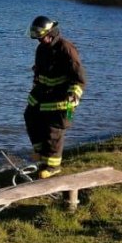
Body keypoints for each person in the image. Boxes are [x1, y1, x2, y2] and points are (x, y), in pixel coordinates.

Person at [26, 16, 86, 179]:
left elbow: (79, 77)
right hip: (42, 92)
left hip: (61, 96)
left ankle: (53, 166)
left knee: (53, 129)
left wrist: (73, 95)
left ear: (50, 33)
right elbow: (39, 71)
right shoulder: (42, 48)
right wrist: (36, 83)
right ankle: (40, 154)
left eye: (40, 36)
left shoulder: (66, 48)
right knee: (31, 117)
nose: (38, 39)